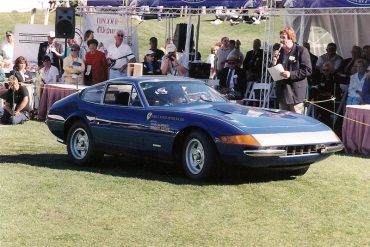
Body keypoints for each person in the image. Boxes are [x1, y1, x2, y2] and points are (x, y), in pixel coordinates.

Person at [271, 27, 312, 114]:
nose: (281, 40)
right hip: (282, 93)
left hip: (295, 94)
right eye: (280, 37)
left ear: (291, 38)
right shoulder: (280, 52)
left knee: (296, 121)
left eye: (283, 37)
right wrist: (274, 62)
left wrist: (290, 74)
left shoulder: (301, 50)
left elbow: (308, 70)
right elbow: (273, 73)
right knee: (283, 121)